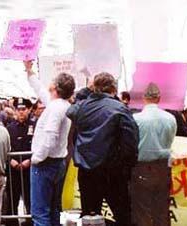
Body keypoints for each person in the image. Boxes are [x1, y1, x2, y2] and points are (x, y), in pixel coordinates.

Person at [66, 73, 138, 225]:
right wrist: (127, 166)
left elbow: (70, 111)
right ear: (113, 89)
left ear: (94, 88)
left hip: (87, 171)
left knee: (90, 217)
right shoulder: (120, 108)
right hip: (113, 171)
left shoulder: (81, 107)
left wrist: (86, 91)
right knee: (123, 215)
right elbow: (130, 141)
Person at [24, 60, 75, 226]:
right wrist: (29, 71)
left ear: (55, 87)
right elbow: (40, 89)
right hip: (57, 162)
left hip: (45, 163)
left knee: (40, 213)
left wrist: (36, 158)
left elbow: (50, 137)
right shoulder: (62, 105)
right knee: (53, 210)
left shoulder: (54, 108)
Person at [129, 83, 176, 226]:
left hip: (141, 167)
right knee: (161, 209)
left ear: (144, 98)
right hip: (163, 168)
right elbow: (171, 140)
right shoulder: (170, 118)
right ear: (159, 98)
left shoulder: (136, 119)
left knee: (142, 210)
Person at [2, 98, 35, 226]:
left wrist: (30, 161)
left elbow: (38, 147)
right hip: (13, 169)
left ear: (28, 110)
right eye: (19, 109)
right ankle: (12, 222)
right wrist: (11, 160)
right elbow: (5, 147)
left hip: (30, 168)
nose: (21, 112)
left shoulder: (35, 126)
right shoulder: (9, 128)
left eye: (24, 109)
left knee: (30, 198)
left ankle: (30, 221)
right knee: (12, 198)